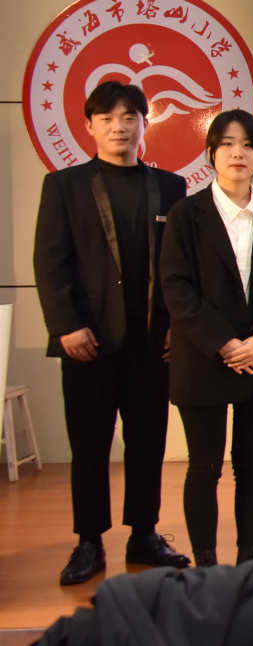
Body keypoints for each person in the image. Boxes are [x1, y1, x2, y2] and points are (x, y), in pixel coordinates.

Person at [34, 80, 190, 585]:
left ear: (145, 123)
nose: (119, 127)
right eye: (107, 118)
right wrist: (66, 326)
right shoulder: (64, 185)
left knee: (147, 443)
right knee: (89, 446)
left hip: (151, 343)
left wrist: (176, 326)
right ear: (89, 126)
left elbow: (179, 266)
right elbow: (50, 262)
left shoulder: (170, 187)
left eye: (129, 117)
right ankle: (88, 541)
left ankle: (144, 534)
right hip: (88, 343)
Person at [160, 110, 253, 566]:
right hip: (203, 358)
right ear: (210, 154)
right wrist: (224, 343)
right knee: (204, 466)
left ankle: (248, 560)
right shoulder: (186, 215)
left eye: (247, 145)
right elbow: (176, 287)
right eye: (227, 144)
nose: (237, 153)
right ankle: (205, 563)